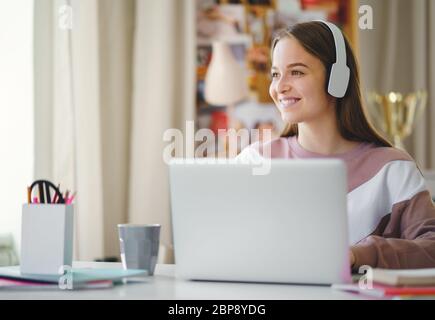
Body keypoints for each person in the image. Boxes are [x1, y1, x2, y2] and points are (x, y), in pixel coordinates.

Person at [237, 21, 435, 270]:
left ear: (337, 79)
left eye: (296, 72)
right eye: (276, 74)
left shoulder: (392, 168)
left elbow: (432, 247)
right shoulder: (254, 161)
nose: (279, 87)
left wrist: (359, 255)